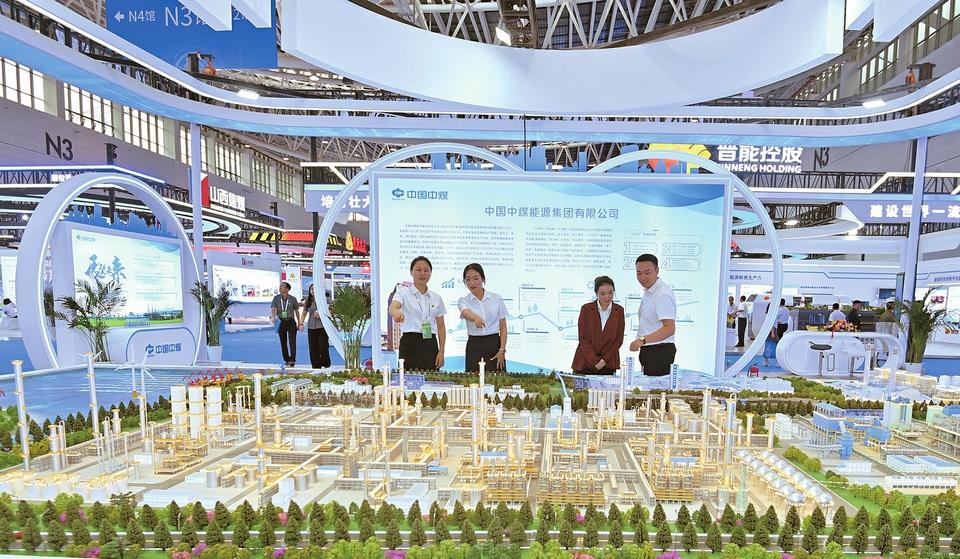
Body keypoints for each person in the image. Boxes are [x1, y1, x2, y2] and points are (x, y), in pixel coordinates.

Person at [388, 256, 446, 371]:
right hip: (410, 343)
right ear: (411, 272)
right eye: (418, 270)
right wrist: (397, 313)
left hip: (430, 343)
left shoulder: (436, 298)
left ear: (430, 273)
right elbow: (393, 307)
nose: (422, 273)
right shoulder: (403, 293)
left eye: (426, 270)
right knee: (407, 378)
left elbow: (441, 327)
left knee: (431, 378)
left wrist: (441, 351)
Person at [628, 254, 676, 376]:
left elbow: (669, 328)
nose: (642, 277)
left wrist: (642, 340)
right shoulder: (650, 291)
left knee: (656, 387)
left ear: (657, 270)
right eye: (639, 273)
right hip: (650, 351)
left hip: (659, 352)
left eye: (647, 273)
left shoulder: (662, 294)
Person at [457, 263, 508, 373]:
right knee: (473, 378)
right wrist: (475, 317)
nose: (472, 283)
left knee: (497, 378)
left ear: (483, 279)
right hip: (474, 344)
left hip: (494, 343)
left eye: (476, 278)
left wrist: (502, 350)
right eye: (468, 279)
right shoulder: (463, 300)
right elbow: (465, 313)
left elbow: (503, 327)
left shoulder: (496, 298)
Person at [572, 276, 625, 375]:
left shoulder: (619, 310)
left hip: (608, 363)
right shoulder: (586, 309)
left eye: (610, 293)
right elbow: (583, 337)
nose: (607, 297)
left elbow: (618, 339)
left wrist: (603, 360)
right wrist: (595, 361)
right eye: (603, 294)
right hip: (586, 361)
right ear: (596, 293)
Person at [271, 282, 302, 367]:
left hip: (291, 321)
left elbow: (296, 311)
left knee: (292, 341)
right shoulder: (276, 298)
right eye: (280, 286)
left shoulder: (293, 299)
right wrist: (274, 318)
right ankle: (286, 359)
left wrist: (299, 322)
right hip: (281, 321)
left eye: (282, 286)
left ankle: (292, 359)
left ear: (287, 289)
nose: (280, 288)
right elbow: (273, 308)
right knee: (283, 341)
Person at [300, 284, 331, 369]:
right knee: (313, 347)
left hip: (323, 327)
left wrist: (322, 316)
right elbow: (304, 313)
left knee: (323, 346)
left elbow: (332, 312)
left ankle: (326, 363)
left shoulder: (326, 300)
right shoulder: (308, 301)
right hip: (311, 327)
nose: (313, 290)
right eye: (311, 289)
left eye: (314, 288)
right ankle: (316, 365)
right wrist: (301, 323)